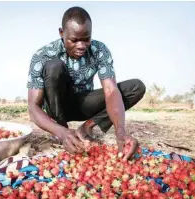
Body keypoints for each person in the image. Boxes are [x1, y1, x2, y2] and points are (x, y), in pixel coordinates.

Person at [26, 6, 146, 160]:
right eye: (74, 40)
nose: (81, 45)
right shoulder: (42, 55)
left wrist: (120, 132)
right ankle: (64, 130)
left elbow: (110, 90)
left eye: (86, 39)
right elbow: (33, 107)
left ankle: (86, 128)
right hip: (56, 107)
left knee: (135, 87)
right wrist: (61, 132)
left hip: (83, 104)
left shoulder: (99, 50)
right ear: (61, 33)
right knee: (53, 66)